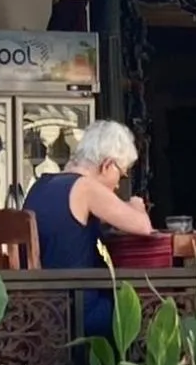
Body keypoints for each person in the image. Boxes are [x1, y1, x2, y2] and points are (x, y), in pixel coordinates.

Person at [23, 120, 153, 337]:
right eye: (121, 174)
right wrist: (136, 205)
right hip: (78, 311)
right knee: (149, 312)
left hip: (43, 309)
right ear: (107, 164)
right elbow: (143, 226)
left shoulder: (41, 184)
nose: (118, 184)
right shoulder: (85, 187)